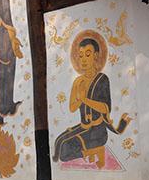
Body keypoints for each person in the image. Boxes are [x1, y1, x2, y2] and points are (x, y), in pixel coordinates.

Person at [53, 37, 131, 167]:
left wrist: (85, 100)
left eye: (87, 54)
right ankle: (90, 152)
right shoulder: (78, 81)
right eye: (81, 55)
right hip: (83, 127)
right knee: (58, 143)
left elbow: (105, 109)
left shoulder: (102, 79)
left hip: (97, 132)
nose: (83, 59)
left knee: (65, 151)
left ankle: (97, 150)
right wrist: (79, 99)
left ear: (95, 56)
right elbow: (72, 108)